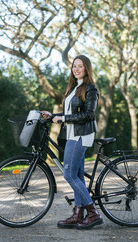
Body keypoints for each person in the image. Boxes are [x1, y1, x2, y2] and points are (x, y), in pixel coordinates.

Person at [42, 55, 102, 230]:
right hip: (72, 134)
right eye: (74, 66)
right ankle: (78, 214)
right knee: (77, 176)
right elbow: (69, 112)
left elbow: (89, 115)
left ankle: (93, 213)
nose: (76, 69)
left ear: (86, 68)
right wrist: (53, 116)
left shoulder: (91, 88)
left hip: (81, 136)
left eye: (80, 66)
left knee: (69, 175)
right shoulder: (73, 87)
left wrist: (63, 118)